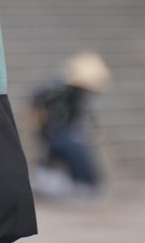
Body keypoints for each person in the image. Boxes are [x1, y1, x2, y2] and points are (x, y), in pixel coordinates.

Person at [29, 51, 111, 202]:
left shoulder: (77, 95)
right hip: (55, 129)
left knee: (74, 148)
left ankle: (84, 183)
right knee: (70, 148)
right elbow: (38, 101)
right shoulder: (58, 89)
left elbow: (85, 113)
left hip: (67, 128)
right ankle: (80, 183)